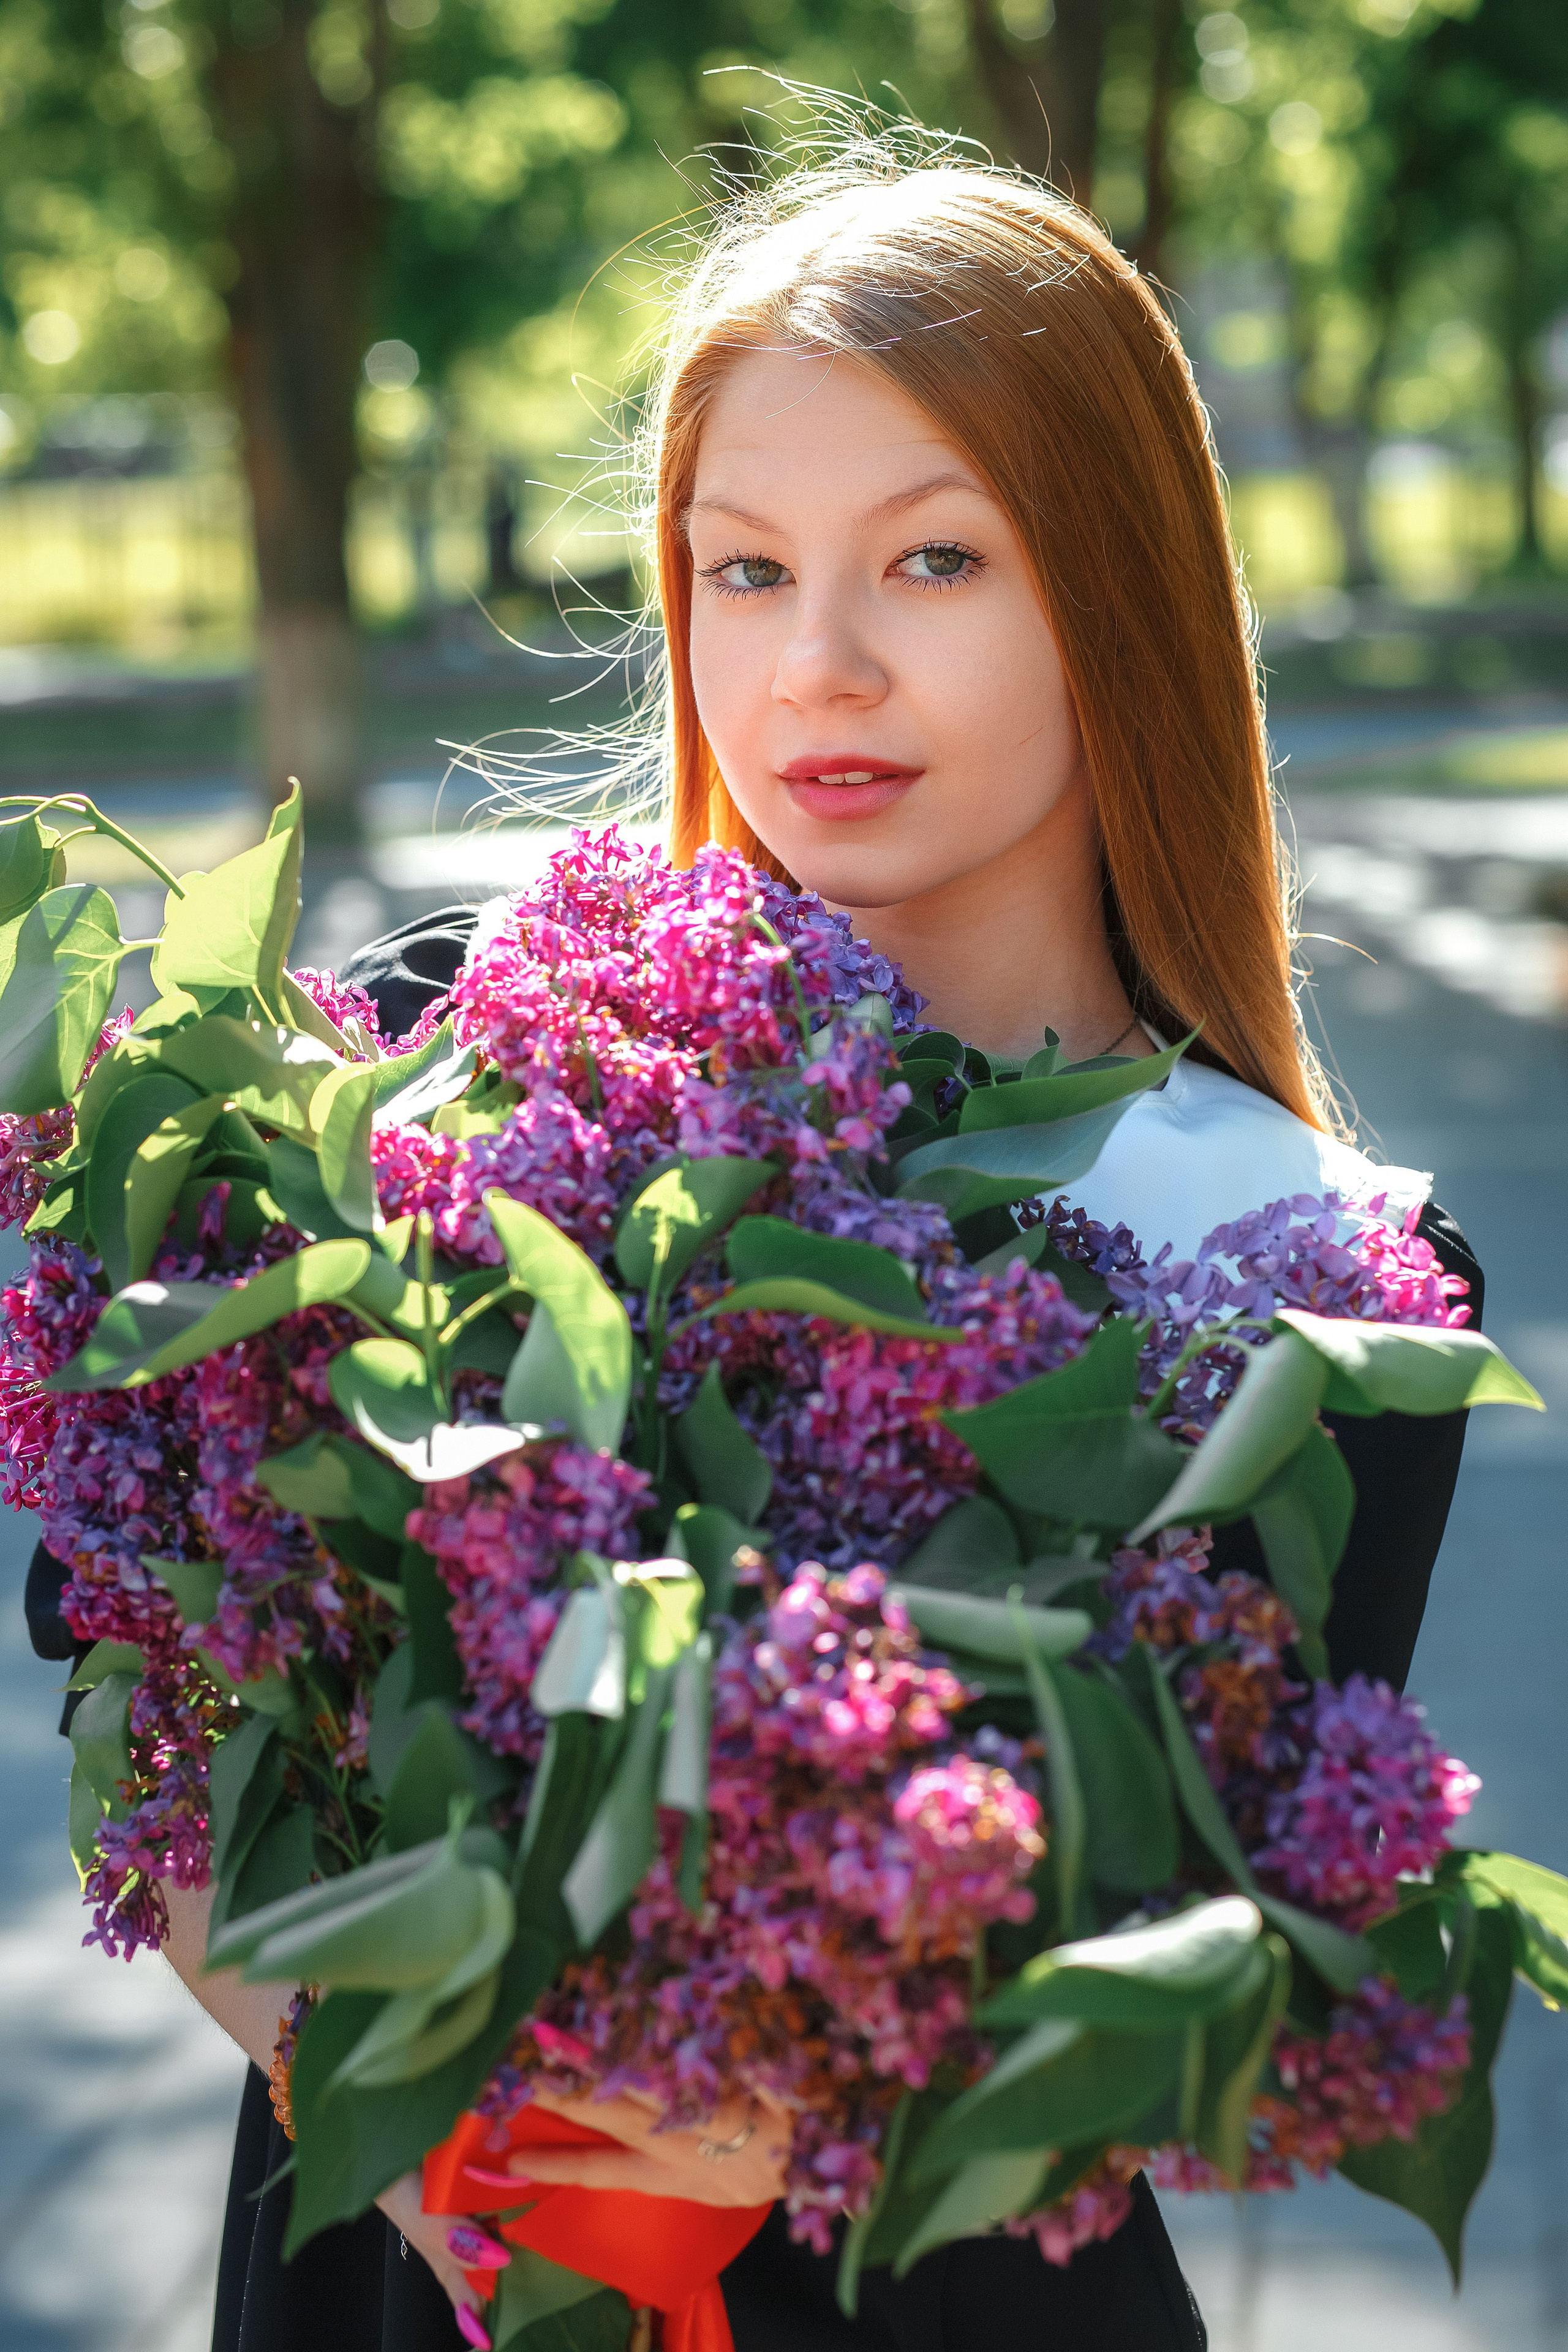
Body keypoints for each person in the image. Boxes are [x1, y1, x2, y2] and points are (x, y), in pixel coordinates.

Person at [26, 140, 1483, 2352]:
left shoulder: (1316, 1275)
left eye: (934, 558)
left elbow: (1218, 1963)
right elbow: (148, 1668)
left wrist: (776, 2093)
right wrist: (424, 2118)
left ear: (1119, 584)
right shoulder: (459, 1072)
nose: (818, 666)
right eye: (740, 569)